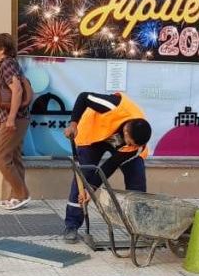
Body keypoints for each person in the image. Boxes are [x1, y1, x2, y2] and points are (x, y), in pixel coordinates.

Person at [63, 92, 152, 243]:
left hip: (115, 143)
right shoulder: (113, 105)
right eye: (130, 143)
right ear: (125, 131)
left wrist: (92, 189)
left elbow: (109, 166)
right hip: (93, 136)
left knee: (136, 173)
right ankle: (71, 225)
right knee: (82, 177)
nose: (130, 146)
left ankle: (139, 226)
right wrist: (73, 123)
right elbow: (84, 97)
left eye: (133, 145)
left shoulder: (135, 144)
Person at [0, 33, 31, 210]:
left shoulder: (7, 64)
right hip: (17, 118)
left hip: (16, 119)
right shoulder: (9, 64)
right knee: (14, 157)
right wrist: (2, 119)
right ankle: (17, 196)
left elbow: (17, 90)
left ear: (2, 49)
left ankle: (22, 193)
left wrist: (11, 118)